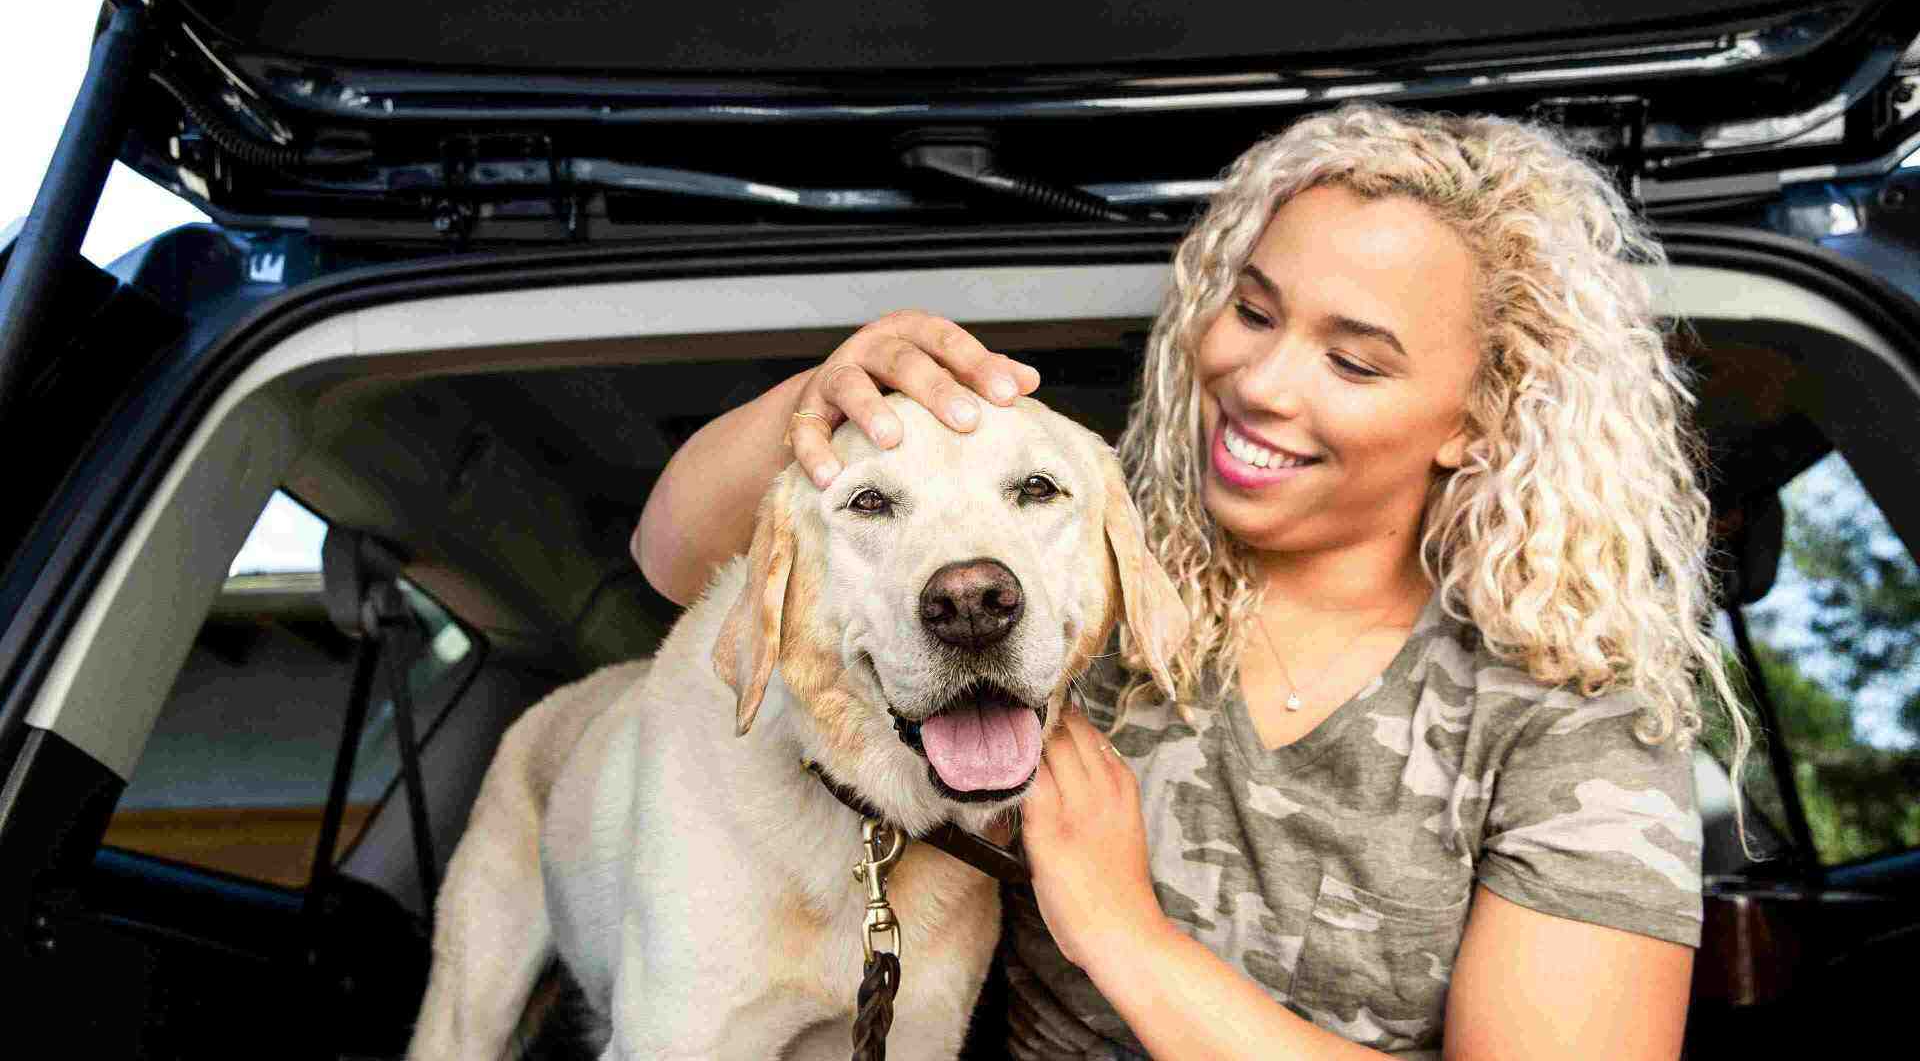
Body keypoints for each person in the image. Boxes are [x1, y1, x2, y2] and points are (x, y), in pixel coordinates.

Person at [633, 101, 1753, 1059]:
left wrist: (1123, 931)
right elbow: (677, 566)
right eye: (1253, 311)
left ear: (1480, 418)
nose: (1259, 380)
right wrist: (824, 402)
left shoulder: (1573, 727)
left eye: (1352, 360)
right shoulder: (1082, 564)